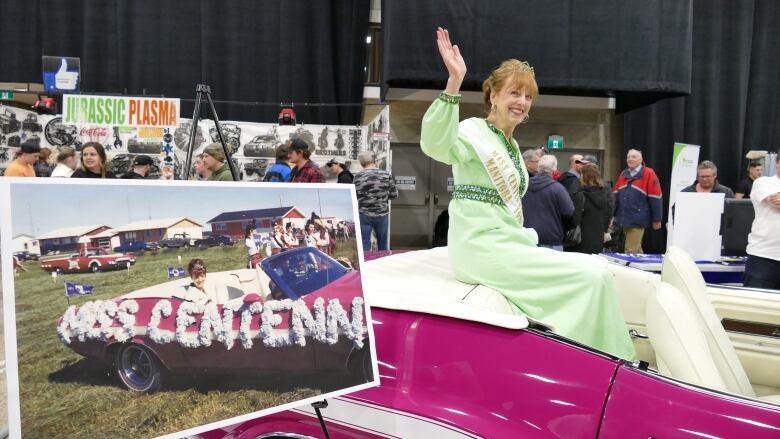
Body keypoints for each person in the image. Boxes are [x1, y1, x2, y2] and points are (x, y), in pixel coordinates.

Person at [419, 27, 634, 359]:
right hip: (479, 246)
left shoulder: (514, 147)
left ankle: (599, 361)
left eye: (528, 96)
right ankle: (596, 363)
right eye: (514, 93)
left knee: (598, 275)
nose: (521, 102)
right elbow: (436, 144)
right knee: (591, 278)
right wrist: (454, 82)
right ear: (493, 96)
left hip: (509, 241)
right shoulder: (472, 131)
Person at [612, 149, 662, 253]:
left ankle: (629, 269)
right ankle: (643, 269)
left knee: (630, 251)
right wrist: (613, 215)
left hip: (638, 219)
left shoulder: (649, 173)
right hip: (624, 218)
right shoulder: (623, 174)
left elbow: (656, 197)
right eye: (628, 157)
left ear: (641, 159)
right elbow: (615, 196)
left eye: (633, 157)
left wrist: (657, 219)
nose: (630, 159)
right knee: (636, 250)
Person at [521, 155, 574, 251]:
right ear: (554, 169)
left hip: (527, 238)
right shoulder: (558, 189)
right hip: (551, 240)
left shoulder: (524, 186)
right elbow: (569, 212)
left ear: (538, 167)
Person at [743, 152, 780, 289]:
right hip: (763, 257)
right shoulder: (763, 182)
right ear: (777, 163)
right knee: (754, 306)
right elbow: (776, 202)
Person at [354, 151, 398, 251]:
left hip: (363, 215)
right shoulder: (386, 175)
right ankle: (382, 264)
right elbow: (394, 195)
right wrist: (382, 198)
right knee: (382, 244)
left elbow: (354, 196)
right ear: (374, 160)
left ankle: (366, 264)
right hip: (382, 214)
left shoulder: (357, 177)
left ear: (361, 163)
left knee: (364, 244)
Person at [569, 164, 613, 254]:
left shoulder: (580, 194)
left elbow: (575, 217)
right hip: (599, 235)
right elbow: (609, 213)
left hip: (582, 236)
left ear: (584, 176)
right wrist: (604, 230)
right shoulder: (605, 192)